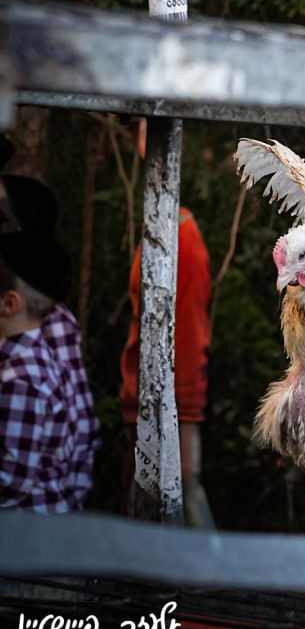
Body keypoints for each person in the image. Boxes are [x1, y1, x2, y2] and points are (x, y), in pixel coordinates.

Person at [118, 118, 216, 527]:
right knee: (145, 501)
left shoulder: (183, 238)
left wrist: (185, 412)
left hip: (171, 402)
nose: (144, 139)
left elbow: (190, 332)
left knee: (183, 490)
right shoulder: (157, 226)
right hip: (143, 398)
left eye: (152, 127)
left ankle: (209, 567)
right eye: (141, 128)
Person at [0, 231, 99, 511]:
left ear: (8, 304)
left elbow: (10, 481)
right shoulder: (37, 358)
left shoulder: (21, 380)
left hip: (26, 527)